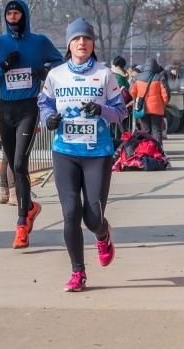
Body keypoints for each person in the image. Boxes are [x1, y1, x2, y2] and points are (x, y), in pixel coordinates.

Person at [37, 17, 127, 292]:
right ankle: (78, 272)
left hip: (97, 153)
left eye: (86, 38)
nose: (81, 43)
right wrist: (49, 119)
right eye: (76, 38)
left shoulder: (104, 74)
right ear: (69, 44)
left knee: (92, 218)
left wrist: (101, 110)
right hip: (64, 151)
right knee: (70, 214)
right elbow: (44, 105)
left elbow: (121, 112)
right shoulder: (56, 75)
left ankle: (103, 233)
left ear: (93, 44)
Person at [0, 0, 63, 249]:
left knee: (18, 164)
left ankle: (21, 223)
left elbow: (60, 63)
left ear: (24, 15)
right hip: (5, 109)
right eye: (9, 14)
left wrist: (46, 71)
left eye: (17, 13)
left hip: (28, 108)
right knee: (13, 163)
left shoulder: (39, 42)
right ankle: (31, 207)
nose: (13, 17)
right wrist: (2, 67)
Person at [130, 58, 169, 144]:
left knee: (145, 131)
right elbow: (165, 94)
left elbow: (132, 92)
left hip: (142, 108)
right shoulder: (160, 78)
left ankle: (146, 148)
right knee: (156, 130)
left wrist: (137, 100)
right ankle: (157, 149)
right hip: (156, 108)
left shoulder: (137, 78)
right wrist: (163, 104)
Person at [110, 55, 131, 136]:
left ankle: (115, 137)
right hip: (119, 101)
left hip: (111, 101)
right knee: (121, 122)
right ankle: (123, 138)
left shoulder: (111, 73)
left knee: (113, 123)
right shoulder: (119, 76)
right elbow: (127, 86)